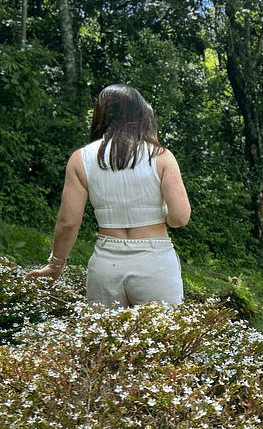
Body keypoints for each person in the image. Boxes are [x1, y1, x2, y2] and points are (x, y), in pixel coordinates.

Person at [26, 84, 191, 307]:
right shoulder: (161, 155)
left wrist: (55, 264)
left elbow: (68, 222)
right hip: (155, 262)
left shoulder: (80, 159)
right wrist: (167, 217)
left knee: (106, 340)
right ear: (142, 114)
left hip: (105, 264)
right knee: (162, 339)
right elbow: (180, 218)